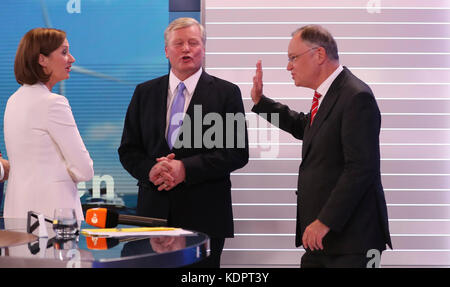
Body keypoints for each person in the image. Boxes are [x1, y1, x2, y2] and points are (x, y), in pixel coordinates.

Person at [251, 25, 392, 268]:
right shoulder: (331, 94)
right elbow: (306, 127)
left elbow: (360, 169)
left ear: (319, 55)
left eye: (293, 58)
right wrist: (261, 104)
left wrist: (324, 221)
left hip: (351, 242)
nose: (288, 66)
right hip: (325, 242)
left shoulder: (356, 97)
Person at [118, 17, 249, 268]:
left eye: (193, 43)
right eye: (178, 44)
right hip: (152, 218)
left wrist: (185, 169)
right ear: (166, 51)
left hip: (205, 218)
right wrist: (151, 169)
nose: (186, 49)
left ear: (203, 48)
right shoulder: (144, 92)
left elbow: (236, 153)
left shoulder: (226, 93)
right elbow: (128, 149)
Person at [3, 28, 94, 221]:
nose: (72, 59)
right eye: (64, 52)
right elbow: (84, 169)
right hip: (53, 221)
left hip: (17, 213)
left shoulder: (13, 100)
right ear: (41, 59)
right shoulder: (53, 103)